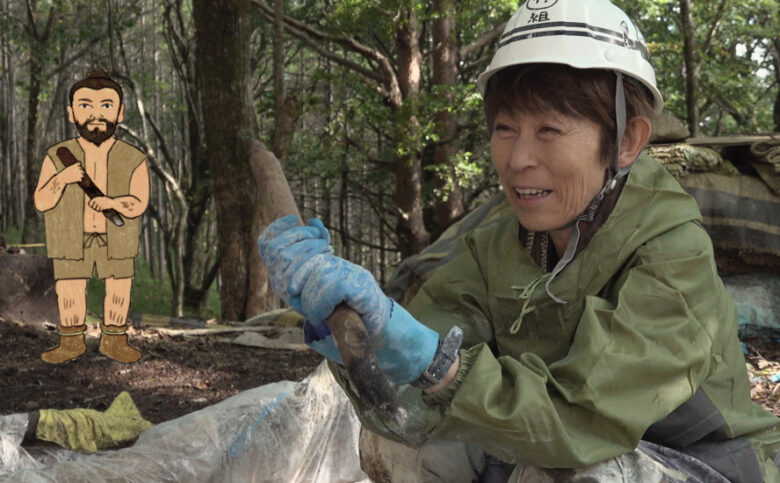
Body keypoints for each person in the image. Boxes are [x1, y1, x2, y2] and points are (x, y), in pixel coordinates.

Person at [258, 1, 780, 481]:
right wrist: (356, 331)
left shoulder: (672, 254)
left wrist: (438, 365)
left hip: (707, 462)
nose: (516, 158)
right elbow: (412, 402)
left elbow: (578, 422)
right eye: (505, 127)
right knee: (401, 448)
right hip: (562, 446)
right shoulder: (499, 248)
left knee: (577, 476)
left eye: (549, 130)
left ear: (626, 141)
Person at [34, 70, 150, 364]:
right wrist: (62, 178)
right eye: (86, 106)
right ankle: (71, 343)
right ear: (72, 113)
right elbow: (42, 200)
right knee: (70, 289)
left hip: (117, 235)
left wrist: (112, 201)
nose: (96, 115)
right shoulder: (57, 155)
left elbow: (139, 203)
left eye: (106, 106)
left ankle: (115, 341)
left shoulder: (133, 158)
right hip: (70, 236)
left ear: (120, 112)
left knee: (119, 288)